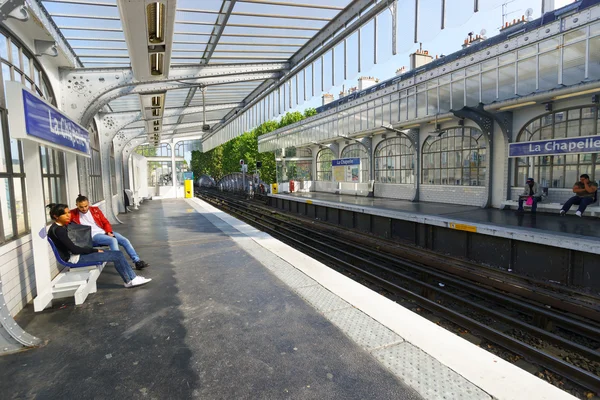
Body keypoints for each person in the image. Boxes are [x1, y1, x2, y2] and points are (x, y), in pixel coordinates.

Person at [46, 203, 151, 288]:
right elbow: (74, 249)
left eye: (69, 213)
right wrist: (94, 250)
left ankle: (130, 280)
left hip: (75, 255)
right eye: (65, 214)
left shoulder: (56, 227)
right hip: (75, 258)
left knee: (117, 253)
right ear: (56, 216)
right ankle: (132, 279)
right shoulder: (59, 230)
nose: (69, 216)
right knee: (117, 255)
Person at [70, 194, 149, 270]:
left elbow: (105, 222)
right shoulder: (72, 214)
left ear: (88, 204)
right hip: (92, 236)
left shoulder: (95, 210)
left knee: (124, 240)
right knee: (112, 240)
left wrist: (108, 232)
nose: (84, 209)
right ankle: (121, 264)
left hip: (103, 232)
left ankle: (137, 261)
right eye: (81, 207)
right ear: (76, 205)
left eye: (86, 206)